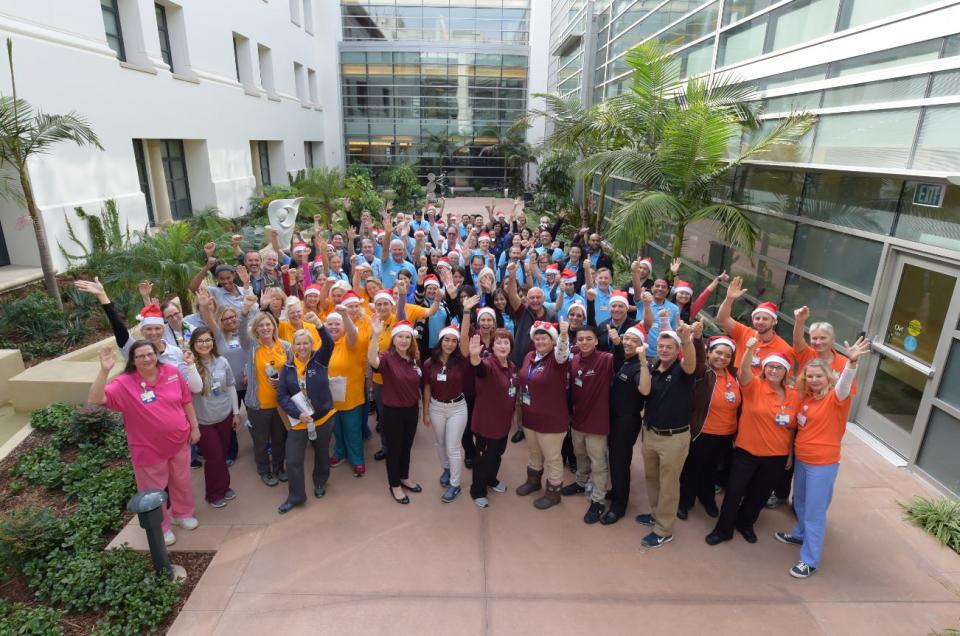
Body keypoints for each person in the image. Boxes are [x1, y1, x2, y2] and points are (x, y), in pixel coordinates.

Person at [88, 341, 201, 546]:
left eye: (150, 354)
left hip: (179, 441)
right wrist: (104, 371)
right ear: (133, 360)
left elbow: (186, 401)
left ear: (156, 354)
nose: (147, 358)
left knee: (182, 481)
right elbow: (95, 399)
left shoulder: (172, 372)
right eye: (141, 356)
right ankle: (161, 527)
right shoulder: (124, 383)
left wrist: (194, 427)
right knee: (153, 490)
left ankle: (182, 514)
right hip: (148, 448)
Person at [775, 337, 870, 578]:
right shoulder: (807, 399)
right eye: (811, 376)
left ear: (829, 377)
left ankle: (810, 560)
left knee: (815, 512)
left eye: (820, 376)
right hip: (802, 460)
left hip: (822, 465)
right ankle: (799, 535)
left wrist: (852, 362)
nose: (815, 380)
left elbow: (845, 384)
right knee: (801, 504)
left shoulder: (836, 398)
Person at [706, 339, 799, 546]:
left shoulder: (794, 395)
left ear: (786, 372)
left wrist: (790, 453)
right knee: (734, 492)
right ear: (764, 369)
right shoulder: (754, 386)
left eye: (779, 368)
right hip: (747, 451)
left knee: (759, 494)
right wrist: (748, 348)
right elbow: (745, 370)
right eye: (770, 367)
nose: (774, 370)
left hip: (776, 455)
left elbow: (792, 426)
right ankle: (723, 529)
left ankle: (745, 523)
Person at [636, 323, 698, 548]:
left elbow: (691, 362)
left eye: (669, 347)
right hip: (651, 434)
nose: (663, 350)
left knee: (669, 484)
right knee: (652, 478)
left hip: (674, 438)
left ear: (677, 349)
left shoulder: (682, 370)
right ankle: (656, 515)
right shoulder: (653, 368)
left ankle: (664, 529)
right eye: (661, 346)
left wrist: (687, 340)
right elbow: (645, 392)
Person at [678, 336, 740, 520]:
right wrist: (697, 338)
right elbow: (697, 359)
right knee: (692, 468)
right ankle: (685, 501)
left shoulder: (734, 376)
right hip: (702, 432)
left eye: (727, 355)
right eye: (718, 353)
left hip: (726, 434)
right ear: (709, 353)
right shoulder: (702, 372)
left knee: (712, 469)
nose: (722, 358)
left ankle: (707, 499)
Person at [275, 326, 336, 514]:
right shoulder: (287, 367)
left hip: (322, 419)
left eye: (306, 343)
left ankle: (320, 481)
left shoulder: (320, 360)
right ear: (293, 346)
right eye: (298, 343)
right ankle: (296, 496)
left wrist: (318, 325)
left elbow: (329, 342)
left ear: (312, 344)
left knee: (322, 453)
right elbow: (282, 395)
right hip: (299, 421)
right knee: (293, 459)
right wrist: (297, 413)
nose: (302, 347)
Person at [562, 326, 615, 524]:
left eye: (588, 339)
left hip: (597, 423)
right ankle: (580, 481)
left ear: (596, 341)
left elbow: (620, 357)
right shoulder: (574, 360)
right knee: (580, 455)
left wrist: (617, 341)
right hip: (577, 420)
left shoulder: (606, 359)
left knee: (598, 463)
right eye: (581, 339)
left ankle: (598, 500)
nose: (584, 342)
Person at [516, 319, 571, 510]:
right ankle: (533, 481)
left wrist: (564, 335)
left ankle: (553, 493)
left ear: (553, 341)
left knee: (553, 457)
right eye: (537, 338)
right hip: (530, 417)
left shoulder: (557, 359)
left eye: (544, 338)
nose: (540, 341)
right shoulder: (529, 356)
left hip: (552, 419)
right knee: (534, 452)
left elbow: (563, 352)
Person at [368, 318, 423, 504]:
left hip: (412, 410)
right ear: (394, 339)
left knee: (407, 446)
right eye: (400, 337)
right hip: (393, 412)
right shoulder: (387, 358)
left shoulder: (415, 358)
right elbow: (372, 360)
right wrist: (375, 336)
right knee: (394, 449)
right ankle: (394, 484)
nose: (404, 340)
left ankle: (404, 476)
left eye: (407, 337)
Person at [197, 287, 252, 465]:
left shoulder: (245, 334)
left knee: (256, 416)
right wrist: (205, 306)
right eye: (225, 318)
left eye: (232, 317)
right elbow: (208, 319)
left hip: (249, 383)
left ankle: (263, 443)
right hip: (230, 387)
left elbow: (253, 355)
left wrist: (249, 373)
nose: (230, 321)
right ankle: (231, 452)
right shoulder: (218, 336)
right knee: (230, 422)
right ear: (220, 321)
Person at [187, 327, 239, 508]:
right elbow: (193, 388)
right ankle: (213, 493)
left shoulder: (222, 361)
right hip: (203, 420)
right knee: (214, 457)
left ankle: (224, 487)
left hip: (224, 415)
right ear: (193, 344)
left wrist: (236, 412)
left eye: (208, 340)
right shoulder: (188, 365)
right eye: (200, 341)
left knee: (222, 454)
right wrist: (191, 365)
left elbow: (231, 386)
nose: (204, 344)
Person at [602, 325, 648, 525]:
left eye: (634, 340)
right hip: (615, 418)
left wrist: (645, 363)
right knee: (615, 460)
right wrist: (617, 342)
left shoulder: (639, 366)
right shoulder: (626, 362)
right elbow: (619, 354)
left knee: (620, 463)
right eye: (626, 338)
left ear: (641, 346)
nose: (628, 342)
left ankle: (619, 506)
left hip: (626, 421)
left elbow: (644, 388)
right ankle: (617, 491)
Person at [240, 310, 292, 487]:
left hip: (280, 403)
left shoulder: (285, 346)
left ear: (274, 326)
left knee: (279, 438)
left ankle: (278, 467)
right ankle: (264, 471)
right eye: (261, 325)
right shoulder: (252, 347)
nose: (265, 328)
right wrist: (245, 312)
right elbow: (241, 332)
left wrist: (283, 383)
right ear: (256, 329)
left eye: (268, 324)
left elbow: (292, 372)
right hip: (259, 405)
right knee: (261, 441)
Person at [468, 330, 516, 508]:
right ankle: (477, 490)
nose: (502, 346)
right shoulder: (488, 364)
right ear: (492, 346)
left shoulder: (511, 366)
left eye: (506, 343)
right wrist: (474, 357)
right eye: (499, 343)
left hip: (503, 424)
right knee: (483, 459)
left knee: (497, 454)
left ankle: (491, 479)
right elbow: (479, 368)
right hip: (486, 425)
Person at [423, 326, 470, 503]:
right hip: (436, 407)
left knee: (452, 446)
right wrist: (426, 412)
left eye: (453, 341)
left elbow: (465, 338)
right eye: (446, 340)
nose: (450, 344)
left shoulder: (461, 360)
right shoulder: (429, 363)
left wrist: (465, 311)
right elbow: (427, 387)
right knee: (440, 442)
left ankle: (455, 484)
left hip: (457, 407)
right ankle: (447, 468)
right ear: (440, 341)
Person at [716, 276, 795, 372]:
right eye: (757, 318)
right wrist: (729, 298)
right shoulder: (743, 332)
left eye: (765, 319)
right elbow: (722, 318)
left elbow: (784, 379)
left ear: (774, 321)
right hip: (736, 384)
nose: (760, 322)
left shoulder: (784, 349)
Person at [326, 295, 368, 477]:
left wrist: (344, 316)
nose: (334, 327)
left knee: (352, 429)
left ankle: (357, 459)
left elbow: (353, 334)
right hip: (331, 397)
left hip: (351, 396)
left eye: (337, 324)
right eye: (331, 324)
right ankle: (340, 452)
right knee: (337, 428)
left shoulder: (351, 342)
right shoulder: (324, 343)